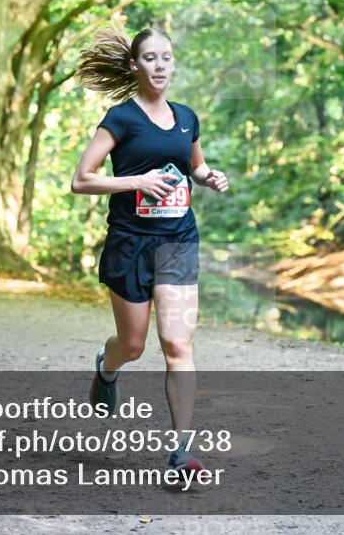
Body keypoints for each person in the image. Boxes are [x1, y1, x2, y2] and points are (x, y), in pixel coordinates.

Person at [71, 27, 229, 475]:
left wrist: (210, 176)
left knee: (177, 343)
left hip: (177, 240)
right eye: (150, 58)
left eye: (166, 58)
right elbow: (82, 179)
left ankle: (182, 449)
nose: (160, 66)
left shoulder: (186, 117)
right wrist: (135, 181)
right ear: (135, 65)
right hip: (130, 241)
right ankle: (107, 366)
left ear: (173, 64)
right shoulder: (120, 118)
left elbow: (194, 166)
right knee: (134, 344)